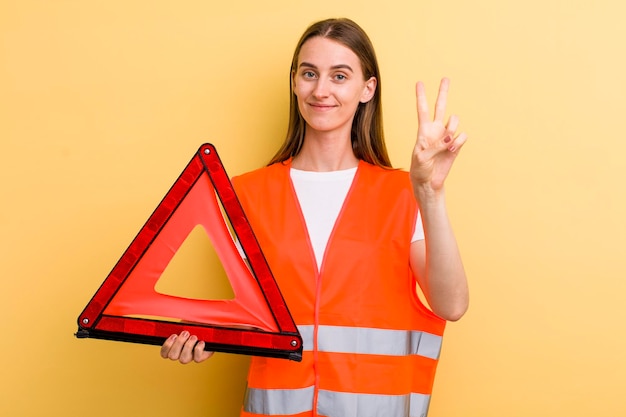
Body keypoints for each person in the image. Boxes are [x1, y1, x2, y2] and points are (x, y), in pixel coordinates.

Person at [160, 17, 469, 417]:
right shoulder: (246, 195)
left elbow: (452, 304)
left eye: (339, 76)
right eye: (309, 74)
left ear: (367, 89)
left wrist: (430, 193)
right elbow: (253, 318)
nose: (321, 90)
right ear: (294, 82)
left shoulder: (403, 192)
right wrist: (202, 339)